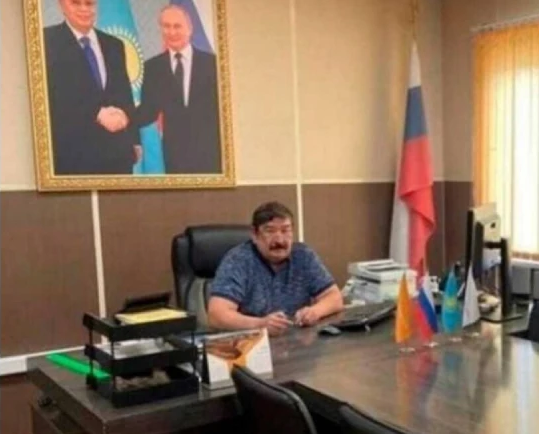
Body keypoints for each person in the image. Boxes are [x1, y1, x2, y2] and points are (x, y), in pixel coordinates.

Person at [208, 202, 344, 334]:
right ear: (254, 235)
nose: (279, 240)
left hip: (296, 341)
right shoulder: (238, 260)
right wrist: (260, 324)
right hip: (253, 342)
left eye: (285, 230)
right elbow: (217, 315)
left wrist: (315, 312)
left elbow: (334, 298)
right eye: (270, 231)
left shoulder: (303, 255)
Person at [44, 0, 139, 175]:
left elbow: (125, 94)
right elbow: (51, 98)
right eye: (76, 3)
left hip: (117, 157)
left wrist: (134, 138)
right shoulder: (46, 42)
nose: (84, 9)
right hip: (72, 157)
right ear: (62, 5)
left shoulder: (114, 44)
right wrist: (96, 114)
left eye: (89, 3)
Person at [134, 5, 221, 174]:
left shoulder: (212, 64)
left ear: (189, 29)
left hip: (212, 154)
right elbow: (147, 112)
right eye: (166, 26)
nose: (172, 32)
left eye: (177, 26)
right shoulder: (153, 67)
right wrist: (124, 121)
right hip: (175, 156)